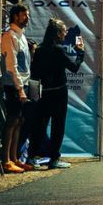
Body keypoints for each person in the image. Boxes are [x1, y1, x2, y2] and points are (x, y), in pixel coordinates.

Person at [31, 18, 84, 169]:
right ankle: (54, 158)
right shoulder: (59, 50)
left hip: (44, 92)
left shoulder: (39, 50)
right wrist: (81, 53)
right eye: (64, 31)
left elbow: (35, 73)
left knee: (40, 125)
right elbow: (74, 67)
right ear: (58, 33)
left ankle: (32, 156)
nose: (66, 33)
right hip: (59, 92)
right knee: (58, 126)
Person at [0, 3, 32, 173]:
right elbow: (11, 65)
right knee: (12, 120)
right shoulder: (9, 36)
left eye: (27, 15)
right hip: (13, 84)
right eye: (24, 15)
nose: (27, 18)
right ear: (15, 16)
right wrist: (19, 88)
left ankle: (15, 158)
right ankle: (6, 160)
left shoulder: (21, 36)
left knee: (19, 120)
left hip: (22, 84)